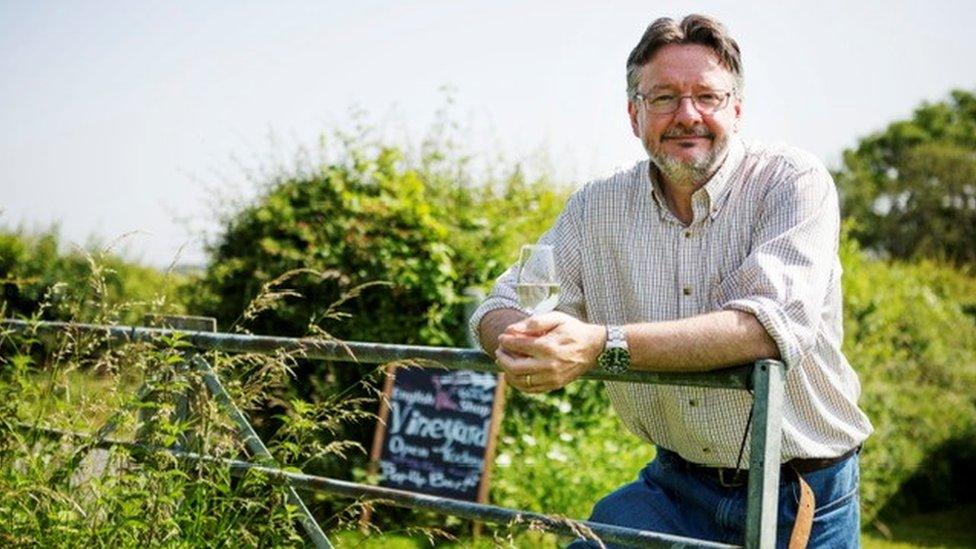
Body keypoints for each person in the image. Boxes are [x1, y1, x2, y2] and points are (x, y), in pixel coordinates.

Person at [468, 14, 872, 548]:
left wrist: (596, 347)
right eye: (663, 98)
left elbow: (767, 328)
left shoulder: (792, 182)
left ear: (737, 109)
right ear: (634, 115)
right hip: (673, 488)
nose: (688, 115)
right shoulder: (597, 208)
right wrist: (522, 345)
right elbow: (496, 305)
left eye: (707, 96)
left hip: (799, 491)